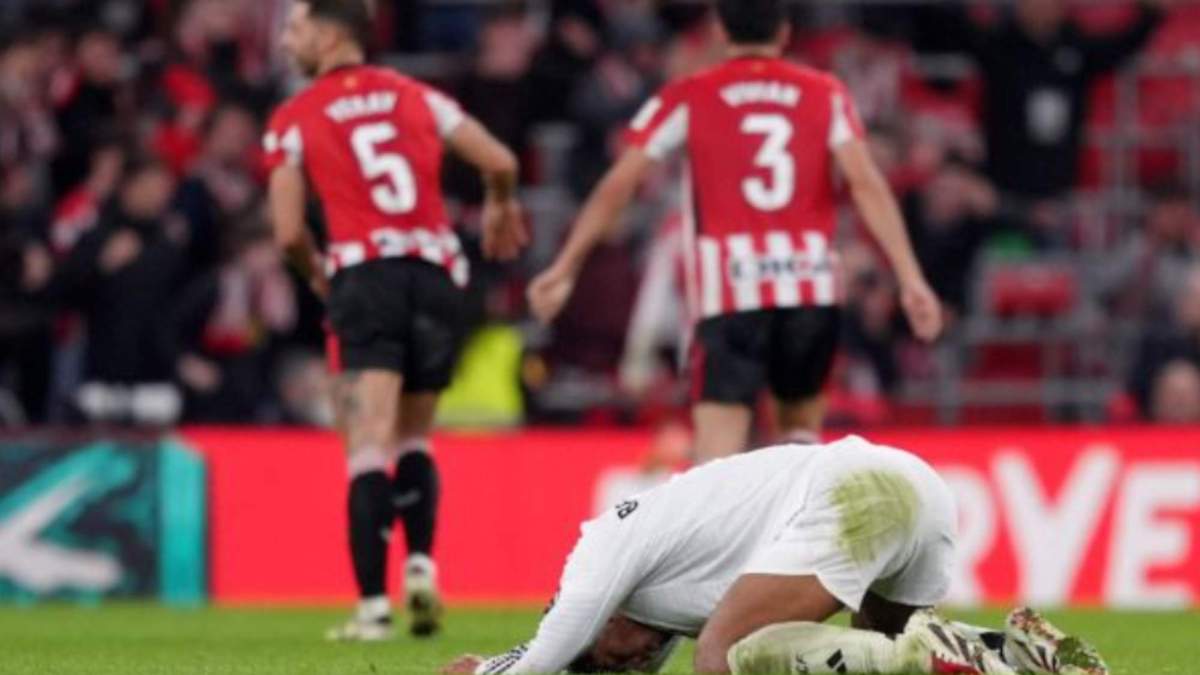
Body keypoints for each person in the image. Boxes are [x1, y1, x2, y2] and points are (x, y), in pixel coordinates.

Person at [528, 0, 942, 462]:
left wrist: (565, 266)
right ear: (785, 32)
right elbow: (867, 184)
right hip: (808, 286)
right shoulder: (825, 93)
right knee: (801, 445)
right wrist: (910, 277)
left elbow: (620, 182)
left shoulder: (690, 94)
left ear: (722, 33)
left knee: (717, 459)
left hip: (729, 290)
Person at [264, 0, 527, 641]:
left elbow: (288, 231)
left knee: (367, 444)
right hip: (437, 277)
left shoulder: (294, 117)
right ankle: (421, 563)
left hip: (366, 275)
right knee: (415, 437)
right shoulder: (417, 96)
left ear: (330, 35)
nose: (286, 41)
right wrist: (498, 208)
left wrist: (321, 275)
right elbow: (499, 160)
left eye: (295, 29)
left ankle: (374, 611)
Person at [443, 435, 1106, 675]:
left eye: (602, 657)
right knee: (898, 660)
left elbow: (541, 657)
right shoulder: (669, 593)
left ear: (601, 621)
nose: (622, 661)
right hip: (911, 487)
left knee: (723, 657)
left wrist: (480, 671)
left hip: (859, 490)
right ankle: (1021, 653)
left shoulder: (598, 548)